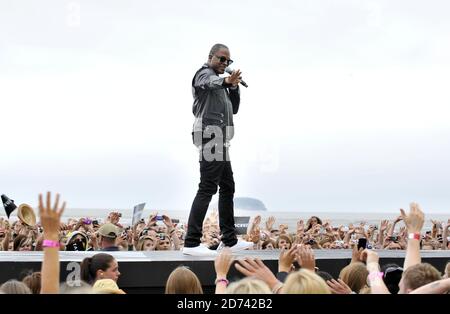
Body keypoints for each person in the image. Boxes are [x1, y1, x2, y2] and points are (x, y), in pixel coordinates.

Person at [183, 43, 252, 256]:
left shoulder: (224, 84)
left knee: (228, 187)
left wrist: (234, 86)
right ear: (211, 57)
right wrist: (225, 81)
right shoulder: (204, 74)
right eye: (221, 59)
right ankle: (191, 242)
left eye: (228, 61)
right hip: (210, 134)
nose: (224, 63)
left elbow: (236, 109)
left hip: (220, 139)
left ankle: (229, 240)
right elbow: (211, 83)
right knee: (207, 187)